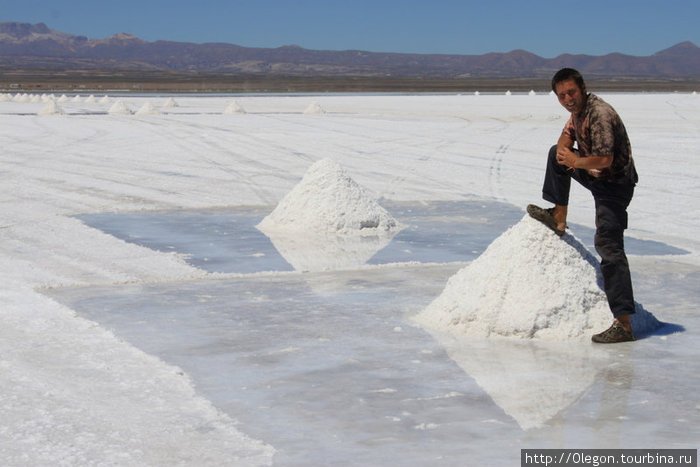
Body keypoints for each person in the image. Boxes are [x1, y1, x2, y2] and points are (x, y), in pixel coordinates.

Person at [527, 68, 639, 343]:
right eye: (562, 95)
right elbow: (564, 140)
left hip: (614, 185)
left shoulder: (599, 114)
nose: (568, 99)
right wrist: (567, 150)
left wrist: (575, 161)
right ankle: (559, 217)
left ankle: (623, 324)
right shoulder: (577, 114)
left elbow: (605, 159)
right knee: (556, 154)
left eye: (572, 93)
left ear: (583, 88)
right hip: (594, 175)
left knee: (608, 245)